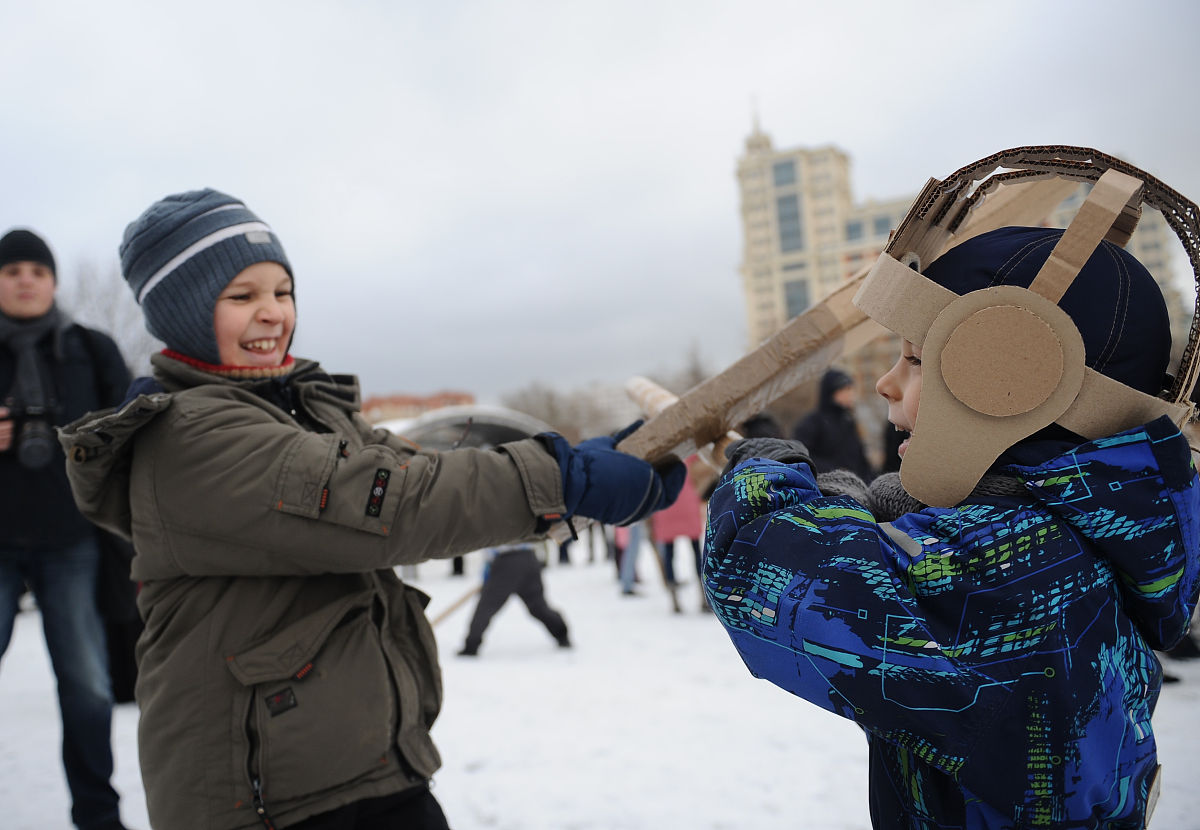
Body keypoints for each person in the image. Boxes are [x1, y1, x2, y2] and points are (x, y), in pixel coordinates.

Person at [58, 189, 684, 830]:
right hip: (261, 796)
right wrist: (564, 479)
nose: (272, 314)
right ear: (183, 314)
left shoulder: (308, 404)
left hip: (371, 760)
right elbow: (393, 504)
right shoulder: (191, 436)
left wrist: (581, 467)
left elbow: (429, 473)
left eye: (282, 291)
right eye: (242, 298)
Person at [703, 222, 1200, 827]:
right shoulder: (1086, 530)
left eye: (915, 361)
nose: (886, 384)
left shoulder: (1015, 576)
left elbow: (766, 572)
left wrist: (764, 477)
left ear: (1012, 391)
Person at [0, 228, 132, 830]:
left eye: (37, 269)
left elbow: (135, 432)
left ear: (53, 282)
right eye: (12, 270)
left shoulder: (92, 348)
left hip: (72, 541)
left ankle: (99, 819)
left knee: (88, 688)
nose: (26, 278)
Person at [457, 543, 570, 656]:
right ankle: (562, 633)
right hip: (529, 557)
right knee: (538, 607)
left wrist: (489, 571)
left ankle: (471, 646)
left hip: (506, 560)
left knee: (486, 607)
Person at [791, 367, 873, 480]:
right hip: (826, 487)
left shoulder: (848, 421)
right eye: (846, 389)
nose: (851, 394)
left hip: (856, 486)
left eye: (851, 389)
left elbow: (861, 460)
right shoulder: (812, 423)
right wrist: (835, 471)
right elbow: (800, 456)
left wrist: (870, 480)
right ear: (831, 392)